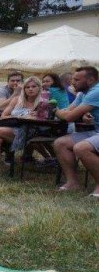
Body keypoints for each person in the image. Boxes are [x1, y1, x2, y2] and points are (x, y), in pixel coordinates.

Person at [0, 76, 44, 180]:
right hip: (13, 130)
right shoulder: (16, 100)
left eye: (34, 86)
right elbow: (3, 116)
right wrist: (19, 116)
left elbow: (45, 119)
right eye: (27, 87)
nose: (30, 89)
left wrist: (35, 116)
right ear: (24, 89)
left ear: (39, 88)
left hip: (31, 132)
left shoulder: (43, 102)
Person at [54, 66, 99, 196]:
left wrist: (54, 110)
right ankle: (73, 183)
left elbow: (68, 116)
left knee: (81, 148)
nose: (72, 82)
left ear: (90, 80)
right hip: (96, 132)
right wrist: (63, 112)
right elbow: (68, 110)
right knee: (60, 143)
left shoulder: (96, 91)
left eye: (76, 80)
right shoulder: (82, 93)